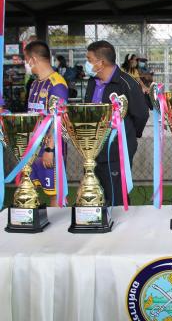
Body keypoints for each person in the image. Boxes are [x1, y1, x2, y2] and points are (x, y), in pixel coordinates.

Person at [84, 41, 149, 206]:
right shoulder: (92, 82)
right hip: (92, 150)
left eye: (89, 59)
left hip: (116, 151)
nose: (86, 63)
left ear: (101, 63)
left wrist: (128, 135)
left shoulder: (127, 83)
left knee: (116, 197)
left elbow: (141, 115)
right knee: (94, 196)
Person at [24, 40, 69, 207]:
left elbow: (59, 119)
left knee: (55, 193)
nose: (25, 64)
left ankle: (59, 222)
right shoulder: (35, 83)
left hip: (50, 149)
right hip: (33, 147)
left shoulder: (57, 84)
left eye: (26, 60)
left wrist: (50, 149)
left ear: (33, 59)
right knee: (28, 189)